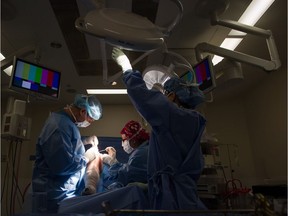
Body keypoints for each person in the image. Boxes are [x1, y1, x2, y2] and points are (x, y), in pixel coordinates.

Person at [112, 47, 207, 211]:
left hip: (173, 202)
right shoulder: (194, 121)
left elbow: (142, 97)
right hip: (184, 197)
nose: (162, 98)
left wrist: (127, 68)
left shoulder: (174, 115)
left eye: (164, 94)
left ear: (171, 96)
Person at [31, 94, 103, 213]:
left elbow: (67, 146)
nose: (90, 123)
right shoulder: (58, 126)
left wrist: (84, 141)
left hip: (63, 193)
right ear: (83, 111)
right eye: (91, 120)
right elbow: (61, 166)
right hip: (54, 195)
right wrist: (86, 158)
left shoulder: (66, 123)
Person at [82, 120, 150, 195]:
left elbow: (124, 176)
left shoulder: (141, 154)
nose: (122, 143)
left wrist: (112, 161)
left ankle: (90, 187)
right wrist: (114, 161)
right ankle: (90, 186)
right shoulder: (145, 149)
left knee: (96, 162)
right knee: (96, 162)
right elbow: (129, 169)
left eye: (124, 140)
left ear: (133, 140)